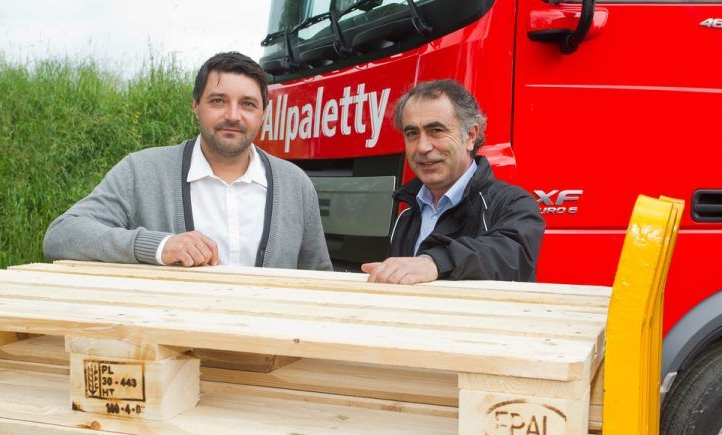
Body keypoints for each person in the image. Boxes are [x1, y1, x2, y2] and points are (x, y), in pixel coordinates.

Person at [44, 52, 332, 271]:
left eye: (247, 104)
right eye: (218, 101)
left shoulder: (295, 185)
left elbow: (319, 278)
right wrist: (159, 246)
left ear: (263, 113)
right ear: (196, 107)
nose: (233, 115)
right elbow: (62, 235)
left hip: (267, 347)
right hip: (170, 346)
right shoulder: (142, 171)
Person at [361, 80, 544, 284]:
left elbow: (510, 257)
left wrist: (434, 262)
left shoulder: (513, 203)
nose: (422, 147)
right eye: (412, 133)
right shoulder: (406, 215)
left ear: (470, 137)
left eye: (436, 130)